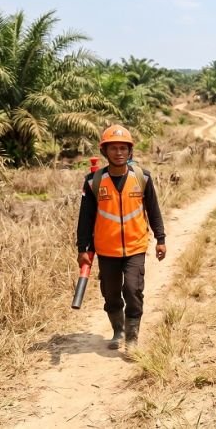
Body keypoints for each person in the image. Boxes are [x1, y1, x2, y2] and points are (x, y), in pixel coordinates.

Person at [76, 124, 167, 351]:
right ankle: (118, 330)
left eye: (123, 148)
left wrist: (161, 239)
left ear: (130, 151)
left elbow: (153, 210)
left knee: (133, 290)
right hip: (106, 249)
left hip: (136, 246)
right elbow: (85, 219)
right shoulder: (93, 181)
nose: (119, 152)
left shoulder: (142, 177)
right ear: (105, 151)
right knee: (111, 293)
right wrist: (83, 248)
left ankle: (132, 338)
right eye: (113, 148)